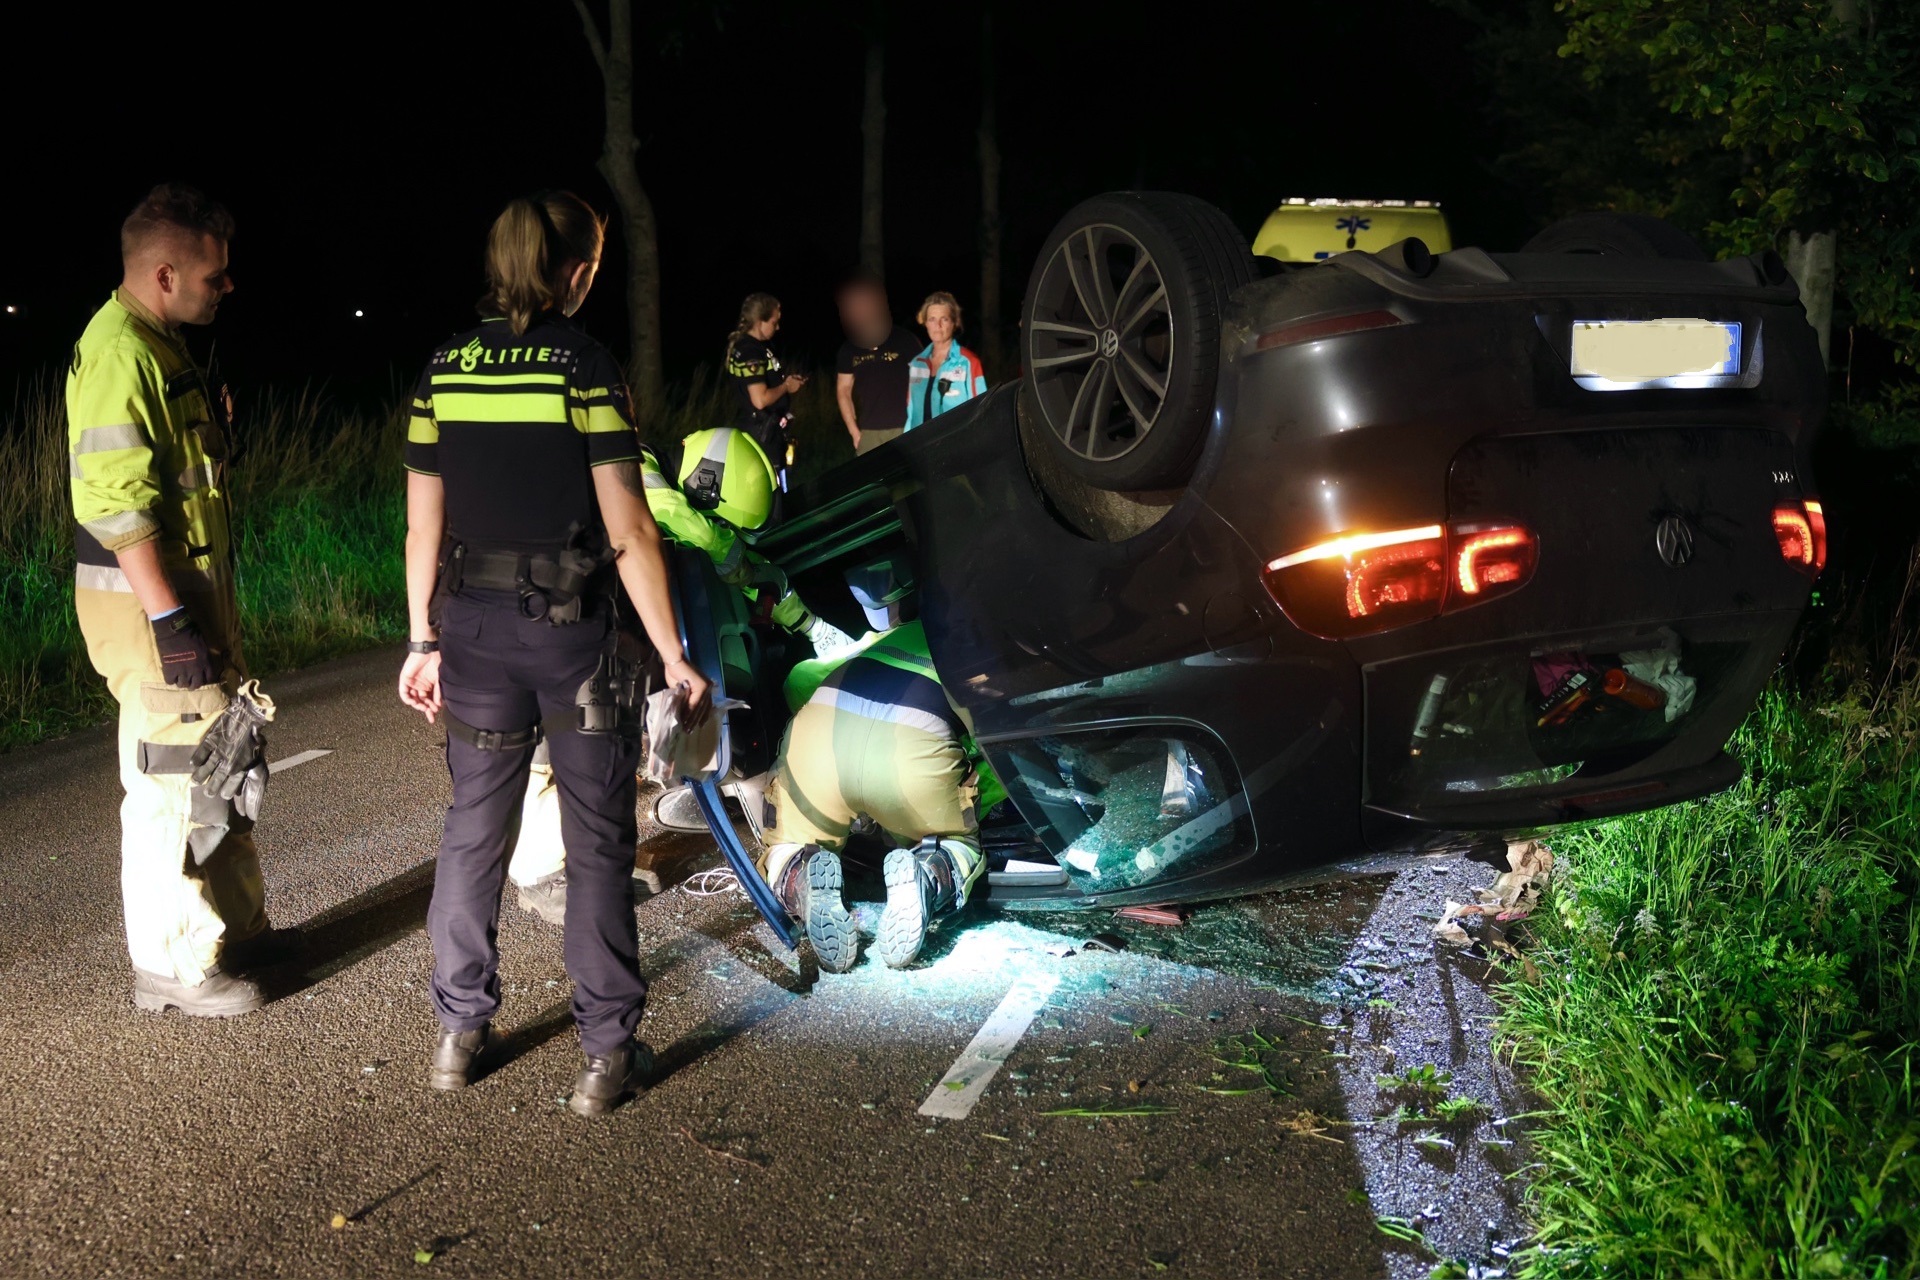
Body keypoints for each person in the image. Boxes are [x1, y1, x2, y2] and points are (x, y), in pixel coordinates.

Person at [396, 190, 709, 1117]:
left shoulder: (443, 369)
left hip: (473, 631)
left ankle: (459, 1034)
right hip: (573, 639)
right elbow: (631, 530)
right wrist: (674, 656)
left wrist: (421, 638)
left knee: (474, 827)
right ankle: (606, 1056)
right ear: (576, 271)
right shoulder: (586, 367)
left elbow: (422, 526)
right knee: (597, 840)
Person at [67, 182, 289, 1019]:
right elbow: (116, 506)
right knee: (170, 783)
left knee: (220, 765)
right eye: (213, 275)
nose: (227, 286)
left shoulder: (161, 346)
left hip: (189, 597)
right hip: (151, 609)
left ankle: (236, 931)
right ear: (164, 275)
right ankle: (171, 965)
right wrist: (167, 619)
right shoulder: (121, 353)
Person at [504, 425, 818, 920]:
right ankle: (545, 879)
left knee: (589, 741)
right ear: (707, 487)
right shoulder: (639, 470)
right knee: (552, 750)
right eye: (722, 524)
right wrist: (734, 558)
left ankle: (589, 861)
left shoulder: (644, 466)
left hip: (558, 610)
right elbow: (675, 522)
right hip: (536, 614)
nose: (723, 535)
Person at [759, 557, 1007, 969]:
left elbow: (798, 680)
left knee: (785, 846)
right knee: (957, 843)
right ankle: (929, 872)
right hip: (911, 756)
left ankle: (801, 880)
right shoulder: (987, 646)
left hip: (818, 740)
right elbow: (1002, 750)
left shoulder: (885, 637)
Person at [833, 272, 920, 455]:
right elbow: (843, 390)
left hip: (905, 427)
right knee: (869, 474)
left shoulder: (904, 339)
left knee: (911, 472)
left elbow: (923, 378)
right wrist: (854, 432)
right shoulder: (848, 349)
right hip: (869, 433)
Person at [724, 292, 806, 462]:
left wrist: (787, 381)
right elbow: (760, 400)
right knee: (771, 477)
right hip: (761, 434)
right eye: (774, 323)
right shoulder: (750, 351)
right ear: (760, 322)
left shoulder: (756, 346)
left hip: (766, 430)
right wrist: (786, 387)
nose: (778, 328)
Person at [903, 291, 988, 431]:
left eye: (944, 319)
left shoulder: (968, 362)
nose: (938, 325)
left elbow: (982, 409)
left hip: (955, 441)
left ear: (955, 323)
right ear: (925, 322)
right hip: (920, 441)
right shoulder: (917, 363)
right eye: (932, 319)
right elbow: (910, 411)